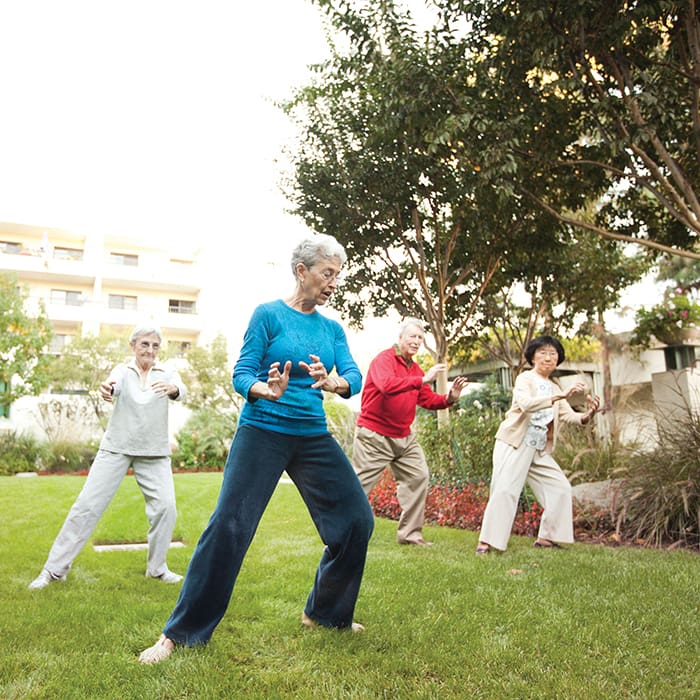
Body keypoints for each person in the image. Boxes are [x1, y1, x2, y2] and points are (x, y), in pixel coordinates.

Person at [138, 233, 374, 665]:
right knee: (229, 527)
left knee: (356, 520)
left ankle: (326, 613)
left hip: (312, 433)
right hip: (262, 430)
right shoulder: (268, 315)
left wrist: (337, 382)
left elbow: (353, 375)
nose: (333, 282)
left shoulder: (332, 329)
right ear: (301, 272)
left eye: (337, 275)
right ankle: (180, 634)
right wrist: (264, 389)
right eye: (327, 273)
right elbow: (242, 372)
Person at [28, 325, 186, 589]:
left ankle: (157, 569)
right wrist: (108, 390)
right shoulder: (122, 371)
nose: (150, 350)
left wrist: (173, 389)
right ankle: (53, 570)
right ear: (133, 346)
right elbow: (112, 387)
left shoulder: (167, 373)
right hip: (117, 447)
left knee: (165, 508)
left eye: (155, 345)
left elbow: (181, 389)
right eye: (144, 344)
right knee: (86, 506)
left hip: (153, 452)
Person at [476, 335, 601, 554]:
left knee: (560, 487)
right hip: (515, 442)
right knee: (505, 490)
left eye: (553, 354)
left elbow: (571, 417)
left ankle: (548, 538)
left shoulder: (554, 387)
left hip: (539, 447)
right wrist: (559, 396)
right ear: (533, 357)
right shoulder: (526, 379)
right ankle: (486, 542)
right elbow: (525, 405)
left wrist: (590, 413)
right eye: (542, 352)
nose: (548, 357)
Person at [352, 318, 469, 546]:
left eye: (420, 338)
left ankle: (410, 535)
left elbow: (426, 399)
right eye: (413, 336)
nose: (417, 341)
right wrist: (422, 379)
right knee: (358, 486)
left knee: (418, 476)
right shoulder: (383, 360)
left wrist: (450, 398)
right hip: (374, 437)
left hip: (404, 438)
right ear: (401, 338)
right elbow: (387, 385)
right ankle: (339, 532)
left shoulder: (415, 369)